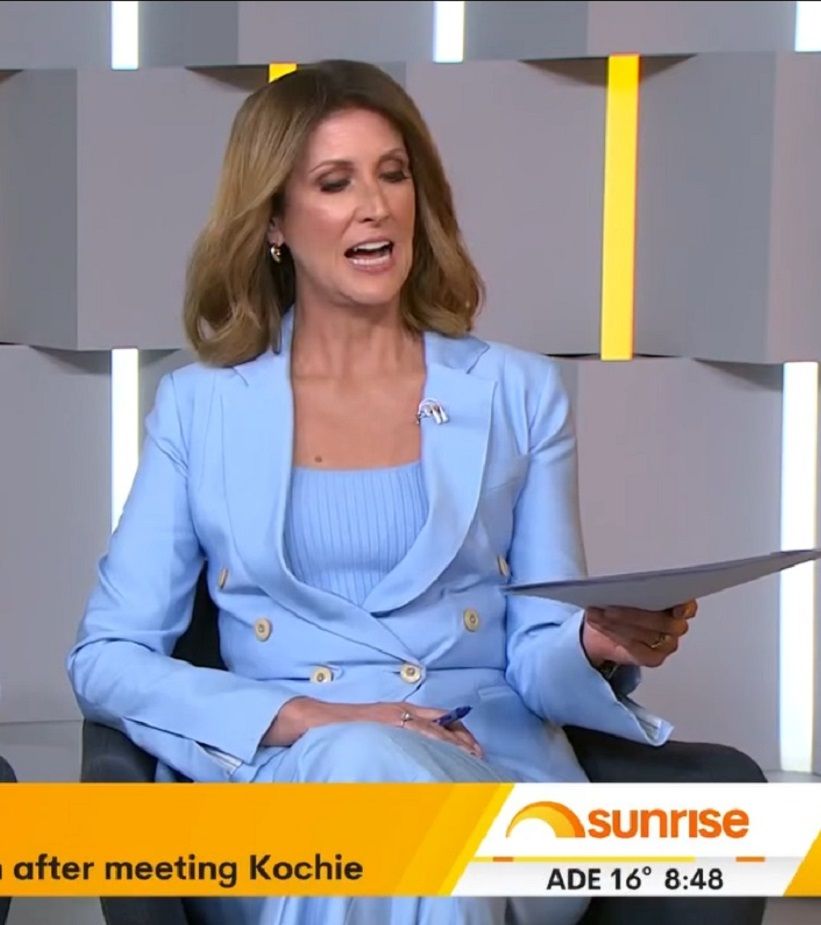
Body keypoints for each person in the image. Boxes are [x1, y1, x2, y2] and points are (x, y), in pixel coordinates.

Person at [68, 60, 700, 925]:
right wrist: (306, 715)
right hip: (281, 793)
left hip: (490, 782)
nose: (375, 206)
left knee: (382, 789)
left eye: (392, 174)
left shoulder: (515, 392)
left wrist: (591, 642)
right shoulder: (199, 408)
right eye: (335, 183)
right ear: (274, 221)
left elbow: (535, 658)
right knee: (362, 762)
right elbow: (106, 658)